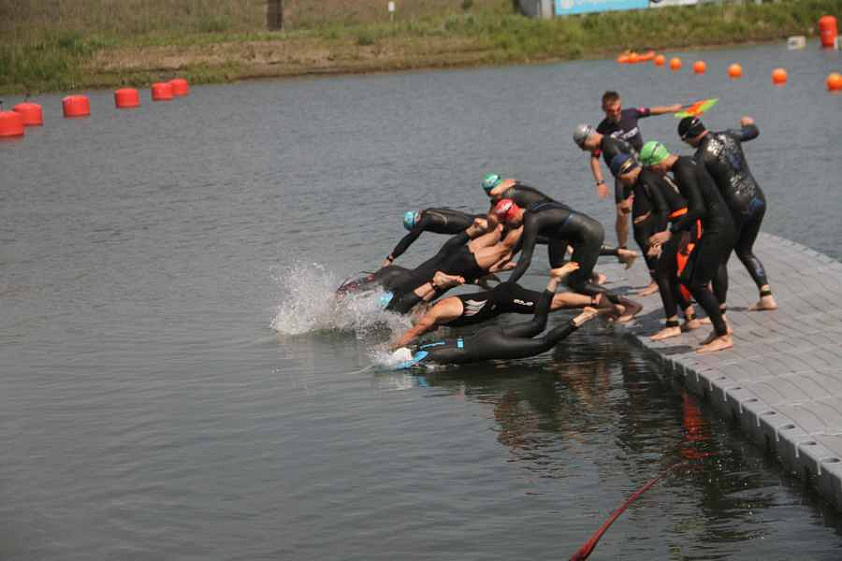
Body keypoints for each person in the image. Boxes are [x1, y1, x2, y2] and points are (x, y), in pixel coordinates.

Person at [390, 266, 600, 368]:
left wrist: (389, 360)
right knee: (537, 324)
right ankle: (554, 281)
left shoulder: (422, 355)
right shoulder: (423, 346)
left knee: (544, 343)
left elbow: (409, 349)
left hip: (489, 344)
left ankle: (584, 316)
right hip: (486, 334)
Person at [576, 92, 682, 286]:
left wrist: (671, 109)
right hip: (634, 178)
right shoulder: (604, 136)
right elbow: (598, 160)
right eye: (611, 111)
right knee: (634, 222)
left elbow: (650, 111)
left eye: (617, 109)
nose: (615, 113)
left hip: (640, 176)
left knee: (644, 228)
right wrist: (601, 183)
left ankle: (659, 274)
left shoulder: (619, 133)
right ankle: (633, 254)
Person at [640, 140, 736, 353]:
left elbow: (698, 209)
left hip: (718, 229)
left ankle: (723, 335)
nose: (655, 174)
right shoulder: (685, 163)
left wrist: (671, 232)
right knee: (686, 278)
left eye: (652, 169)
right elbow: (695, 204)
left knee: (698, 283)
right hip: (716, 226)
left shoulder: (682, 171)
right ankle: (719, 329)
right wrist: (685, 234)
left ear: (656, 162)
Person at [678, 115, 777, 312]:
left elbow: (699, 194)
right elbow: (753, 131)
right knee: (745, 250)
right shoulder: (730, 135)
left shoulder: (700, 158)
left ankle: (719, 309)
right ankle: (766, 295)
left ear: (688, 137)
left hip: (735, 207)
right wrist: (748, 123)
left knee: (719, 259)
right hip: (757, 199)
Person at [492, 198, 642, 323]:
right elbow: (526, 238)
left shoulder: (532, 219)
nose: (508, 227)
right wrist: (511, 254)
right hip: (579, 232)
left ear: (511, 216)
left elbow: (526, 259)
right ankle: (611, 308)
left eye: (507, 223)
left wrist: (508, 285)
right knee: (563, 270)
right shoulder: (531, 211)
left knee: (578, 283)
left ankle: (629, 305)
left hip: (588, 235)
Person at [610, 153, 701, 340]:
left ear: (626, 171)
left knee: (662, 274)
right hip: (684, 219)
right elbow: (666, 201)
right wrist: (648, 216)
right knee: (669, 274)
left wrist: (658, 239)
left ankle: (672, 324)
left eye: (621, 179)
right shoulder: (648, 175)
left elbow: (664, 208)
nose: (623, 184)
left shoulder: (645, 179)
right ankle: (690, 317)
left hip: (684, 223)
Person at [482, 173, 639, 269]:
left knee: (558, 260)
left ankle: (594, 276)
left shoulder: (506, 197)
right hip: (558, 214)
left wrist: (502, 247)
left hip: (555, 221)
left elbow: (495, 217)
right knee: (578, 244)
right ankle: (620, 252)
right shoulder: (513, 187)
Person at [572, 125, 657, 296]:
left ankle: (657, 279)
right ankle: (659, 275)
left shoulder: (610, 148)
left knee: (643, 235)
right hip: (644, 184)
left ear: (589, 139)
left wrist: (626, 198)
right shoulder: (609, 142)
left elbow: (626, 172)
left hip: (641, 188)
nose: (583, 150)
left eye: (582, 145)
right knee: (646, 233)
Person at [382, 208, 483, 268]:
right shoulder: (429, 211)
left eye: (415, 228)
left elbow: (409, 239)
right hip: (481, 218)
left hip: (477, 228)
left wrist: (391, 258)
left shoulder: (425, 221)